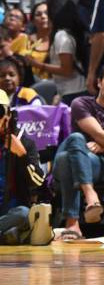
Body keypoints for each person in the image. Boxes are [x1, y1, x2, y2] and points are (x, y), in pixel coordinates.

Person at [52, 61, 104, 240]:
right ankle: (91, 195)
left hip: (99, 164)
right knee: (76, 139)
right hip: (77, 155)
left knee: (69, 159)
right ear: (99, 82)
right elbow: (96, 132)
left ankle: (73, 225)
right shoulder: (80, 103)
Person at [25, 0, 87, 98]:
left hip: (73, 91)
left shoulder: (61, 35)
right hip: (73, 90)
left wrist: (37, 64)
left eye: (48, 12)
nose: (46, 16)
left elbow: (66, 70)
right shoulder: (70, 32)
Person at [0, 89, 45, 218]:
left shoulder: (24, 142)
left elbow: (38, 181)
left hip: (10, 212)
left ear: (8, 114)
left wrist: (22, 156)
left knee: (24, 214)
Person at [25, 2, 50, 81]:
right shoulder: (25, 40)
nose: (43, 16)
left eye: (47, 13)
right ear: (32, 21)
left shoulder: (59, 40)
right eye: (38, 14)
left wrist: (37, 64)